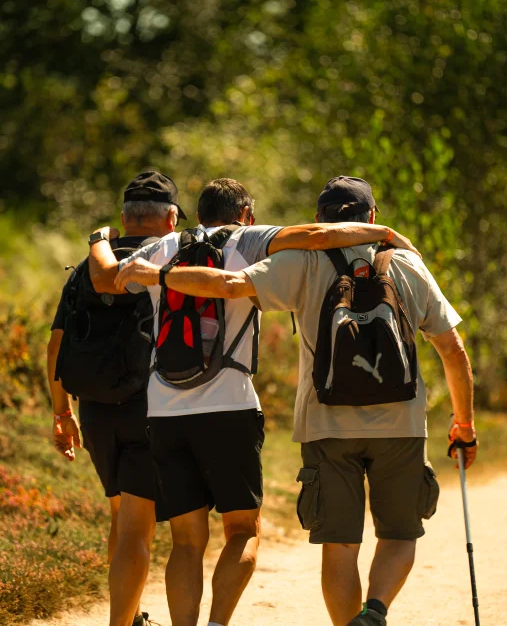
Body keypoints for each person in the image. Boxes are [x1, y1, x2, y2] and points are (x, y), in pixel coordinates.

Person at [114, 176, 479, 626]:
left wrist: (159, 274)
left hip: (324, 423)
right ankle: (376, 610)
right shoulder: (407, 264)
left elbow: (229, 286)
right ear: (371, 218)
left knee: (339, 545)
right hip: (400, 422)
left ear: (320, 217)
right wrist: (463, 423)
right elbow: (452, 350)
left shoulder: (301, 263)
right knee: (400, 533)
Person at [47, 170, 186, 626]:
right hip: (149, 406)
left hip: (95, 409)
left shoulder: (89, 267)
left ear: (125, 219)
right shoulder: (168, 262)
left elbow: (56, 347)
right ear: (170, 218)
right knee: (136, 531)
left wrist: (62, 413)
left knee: (121, 516)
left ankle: (130, 614)